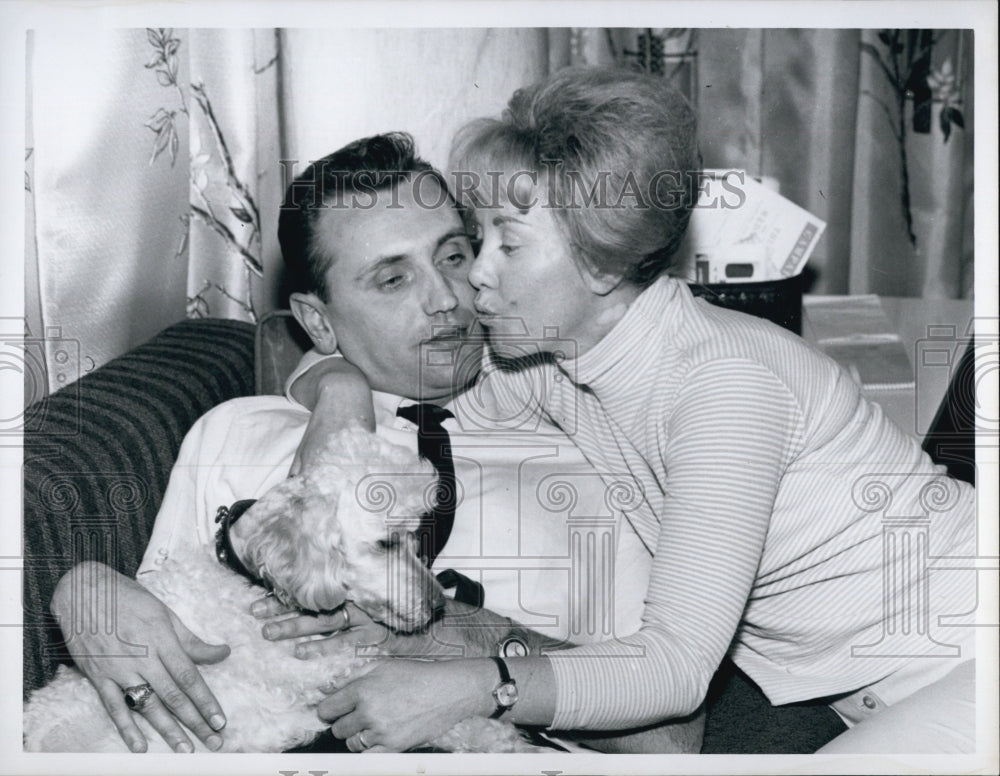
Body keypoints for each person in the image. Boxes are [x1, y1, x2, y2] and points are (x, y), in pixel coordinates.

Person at [296, 68, 978, 754]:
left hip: (966, 647)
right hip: (864, 681)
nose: (475, 273)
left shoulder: (723, 387)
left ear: (598, 263)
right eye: (479, 237)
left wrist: (478, 684)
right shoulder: (551, 357)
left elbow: (675, 668)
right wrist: (337, 388)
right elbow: (396, 370)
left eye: (509, 243)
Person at [46, 132, 700, 755]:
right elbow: (166, 621)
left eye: (452, 256)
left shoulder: (586, 448)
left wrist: (448, 636)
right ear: (316, 321)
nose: (446, 298)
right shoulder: (238, 432)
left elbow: (668, 743)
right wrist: (83, 593)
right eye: (393, 279)